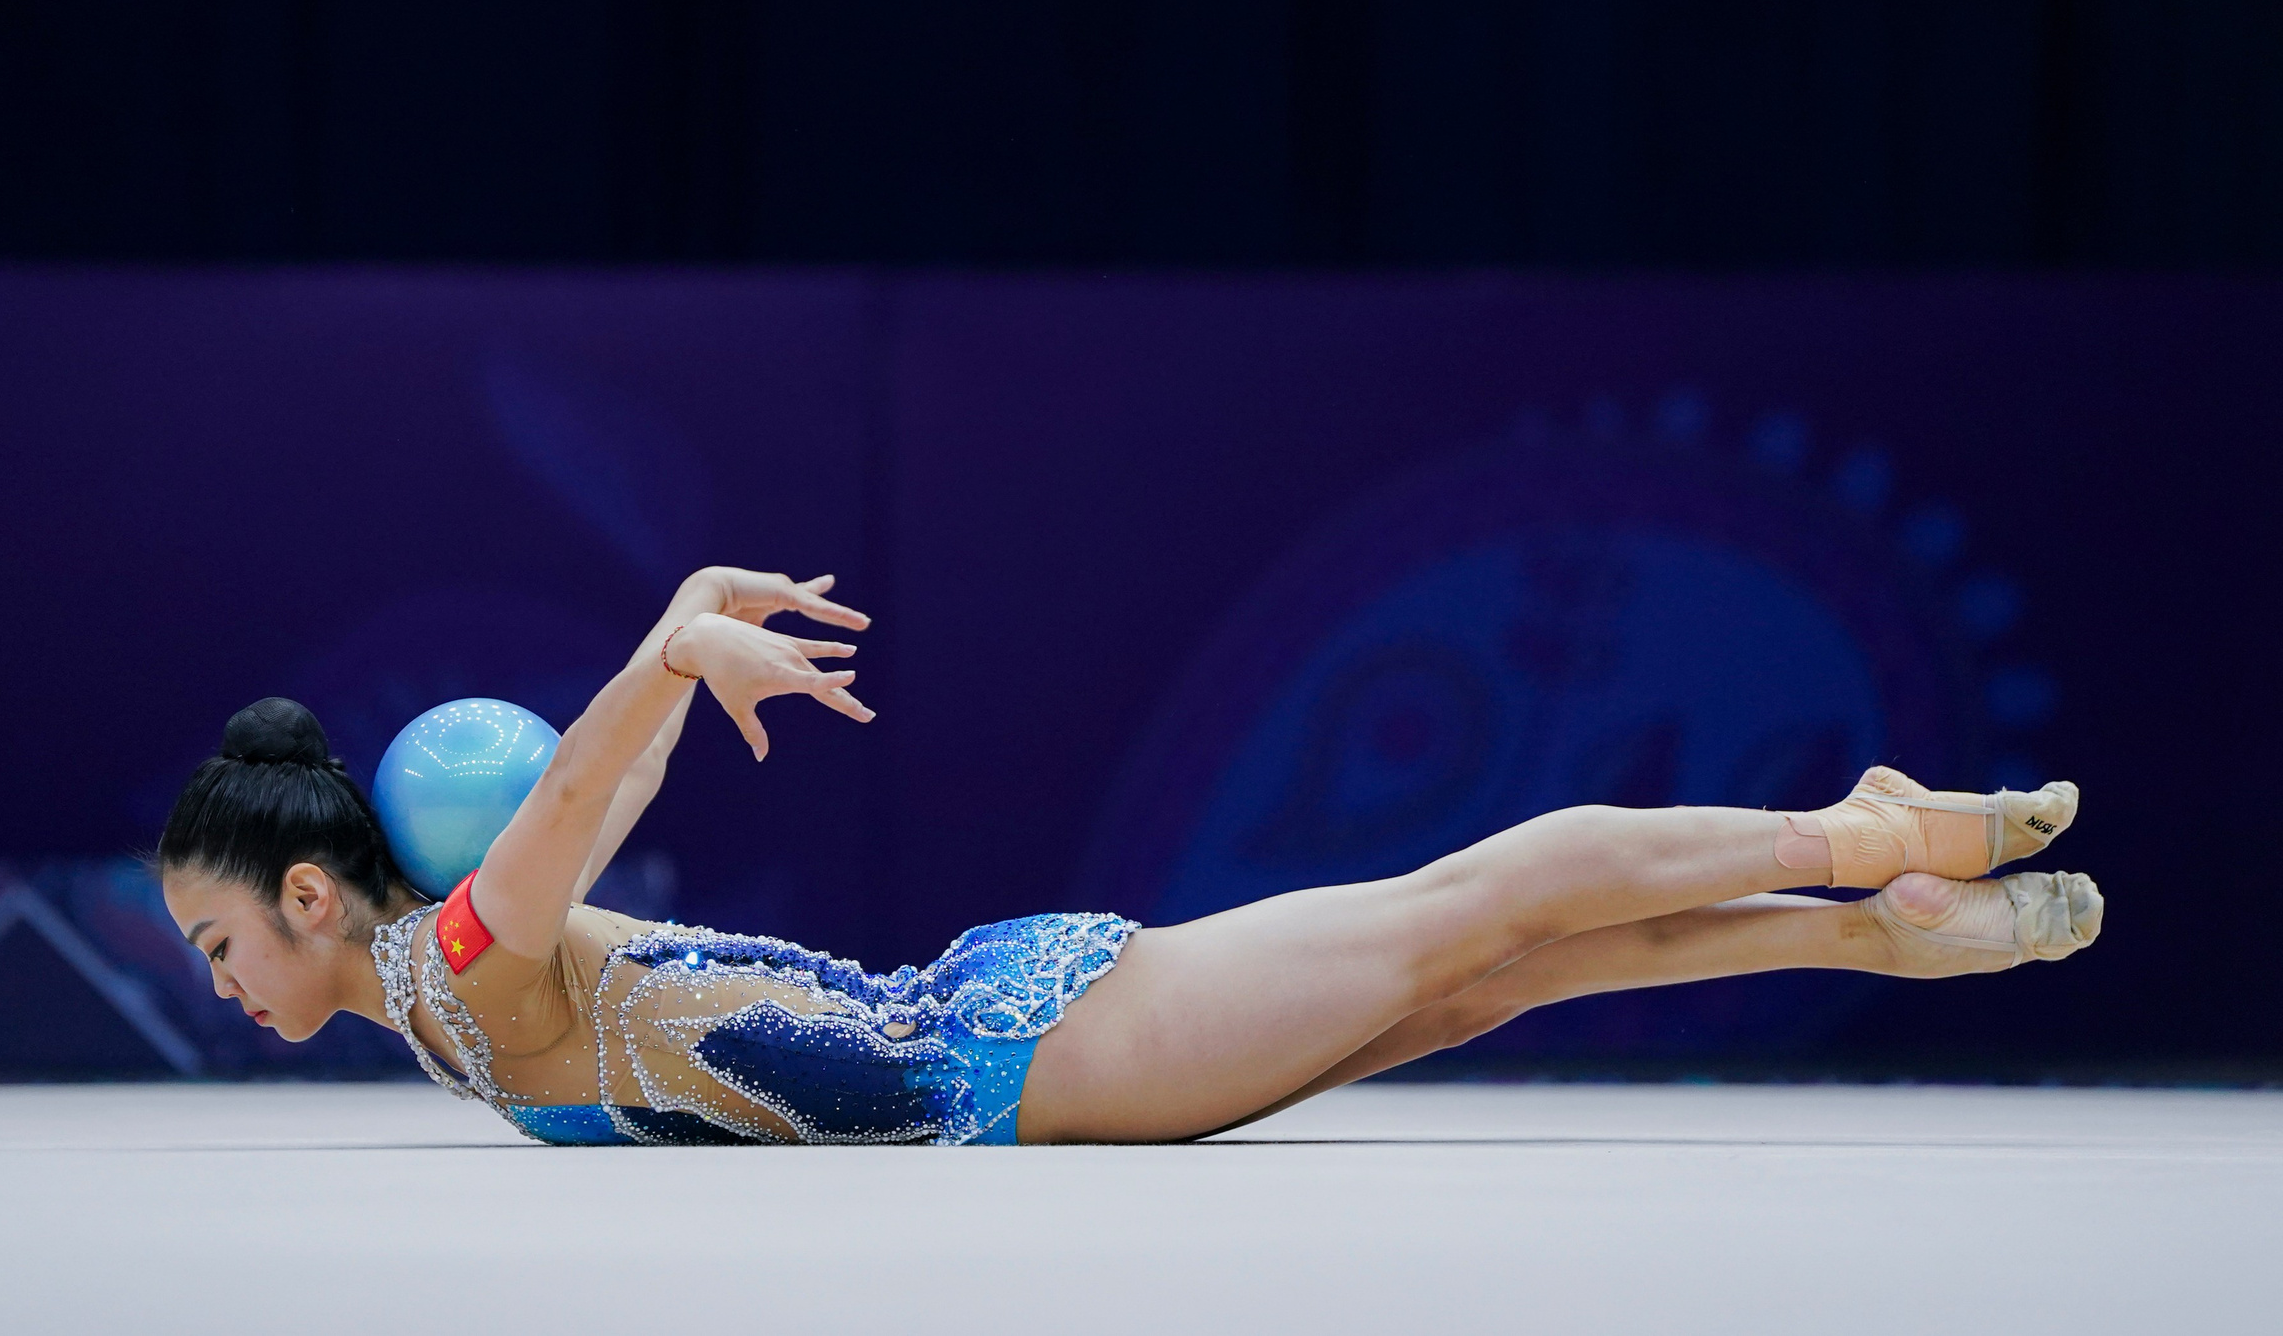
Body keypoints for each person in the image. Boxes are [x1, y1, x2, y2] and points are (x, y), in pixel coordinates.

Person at [158, 566, 2101, 1145]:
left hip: (1020, 1045)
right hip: (1009, 1036)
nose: (212, 976)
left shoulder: (444, 975)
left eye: (212, 935)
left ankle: (1860, 833)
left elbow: (568, 821)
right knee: (1490, 968)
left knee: (1476, 906)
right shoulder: (446, 1008)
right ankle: (1889, 936)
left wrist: (660, 653)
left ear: (313, 893)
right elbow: (575, 833)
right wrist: (659, 671)